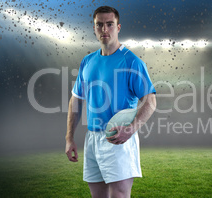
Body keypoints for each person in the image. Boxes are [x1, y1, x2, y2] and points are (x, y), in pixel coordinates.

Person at [65, 6, 156, 198]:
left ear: (118, 27)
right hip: (92, 138)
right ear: (94, 28)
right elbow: (76, 99)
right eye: (99, 25)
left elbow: (151, 102)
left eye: (109, 24)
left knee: (119, 195)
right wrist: (69, 138)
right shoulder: (87, 61)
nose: (104, 29)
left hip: (119, 138)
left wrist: (130, 129)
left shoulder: (131, 62)